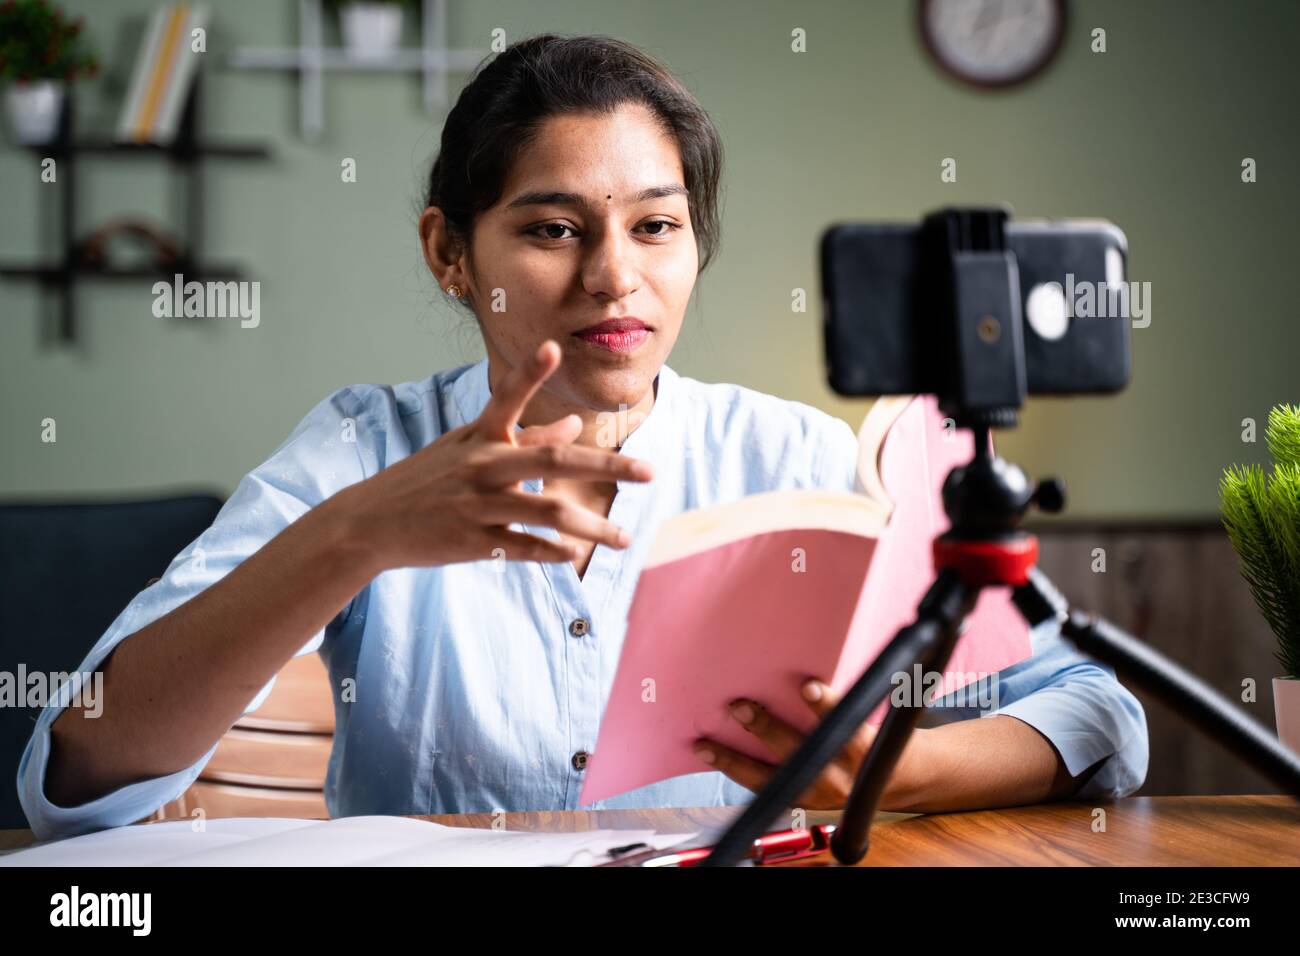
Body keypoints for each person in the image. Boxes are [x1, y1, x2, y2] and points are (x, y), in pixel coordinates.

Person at [18, 34, 1147, 843]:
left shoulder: (799, 463)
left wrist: (895, 765)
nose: (616, 276)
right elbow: (75, 772)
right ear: (449, 253)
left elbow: (1097, 708)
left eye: (657, 226)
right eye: (552, 229)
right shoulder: (366, 447)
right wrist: (353, 536)